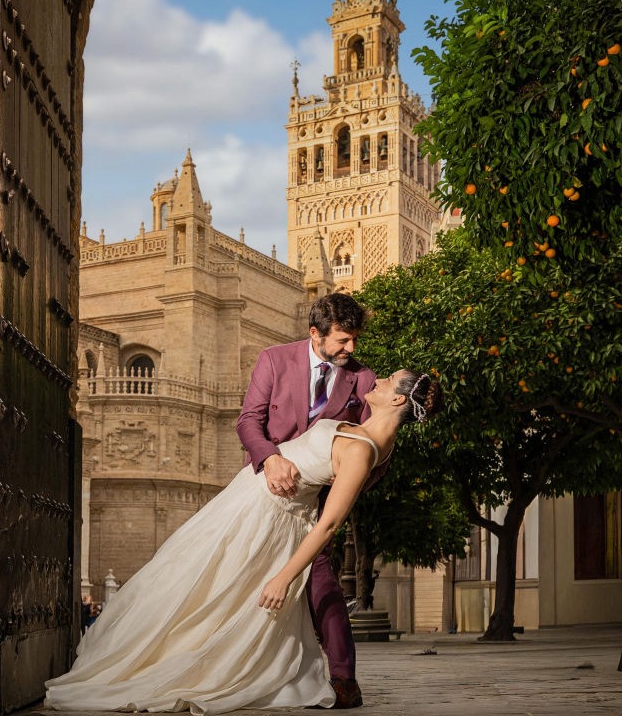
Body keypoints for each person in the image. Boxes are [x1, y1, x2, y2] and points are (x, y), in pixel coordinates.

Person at [44, 370, 443, 714]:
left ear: (396, 398)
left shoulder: (362, 450)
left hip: (265, 522)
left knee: (209, 593)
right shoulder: (363, 433)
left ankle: (181, 669)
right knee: (194, 586)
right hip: (246, 504)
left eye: (390, 379)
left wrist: (283, 577)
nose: (381, 377)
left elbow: (329, 524)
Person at [236, 293, 375, 708]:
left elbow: (372, 448)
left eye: (354, 340)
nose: (351, 349)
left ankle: (343, 678)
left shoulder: (363, 380)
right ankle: (250, 667)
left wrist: (347, 487)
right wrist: (270, 459)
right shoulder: (274, 359)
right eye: (343, 340)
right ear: (315, 333)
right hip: (265, 489)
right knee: (246, 575)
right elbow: (248, 422)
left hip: (320, 500)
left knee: (319, 577)